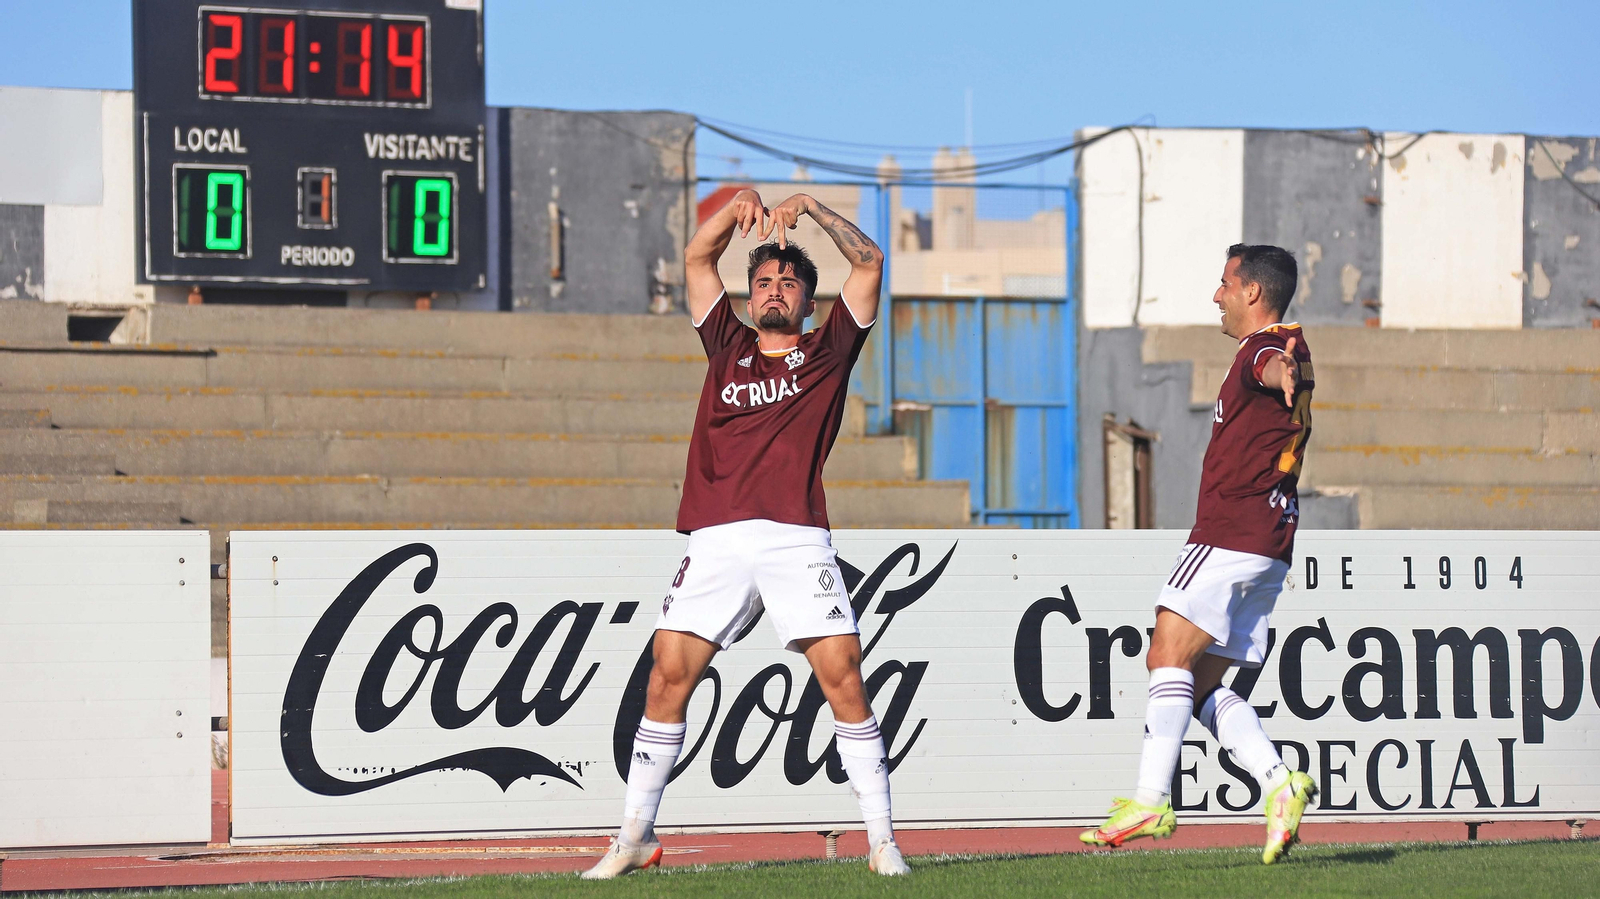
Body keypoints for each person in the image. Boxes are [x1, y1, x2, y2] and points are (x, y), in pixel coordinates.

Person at [583, 188, 909, 878]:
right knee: (668, 676)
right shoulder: (727, 343)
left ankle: (882, 841)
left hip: (796, 534)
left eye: (788, 282)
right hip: (717, 536)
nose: (774, 289)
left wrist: (812, 210)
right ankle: (633, 836)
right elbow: (697, 257)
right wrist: (740, 212)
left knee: (844, 678)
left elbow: (871, 260)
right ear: (749, 295)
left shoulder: (829, 352)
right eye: (762, 281)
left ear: (808, 304)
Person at [1080, 244, 1319, 864]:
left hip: (1230, 531)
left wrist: (1278, 374)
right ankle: (1279, 782)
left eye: (1224, 284)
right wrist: (1285, 375)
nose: (1216, 295)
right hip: (1270, 540)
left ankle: (1151, 801)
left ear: (1251, 294)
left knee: (1165, 651)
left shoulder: (1265, 351)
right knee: (1203, 685)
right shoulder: (1290, 345)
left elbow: (1270, 367)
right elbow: (1279, 371)